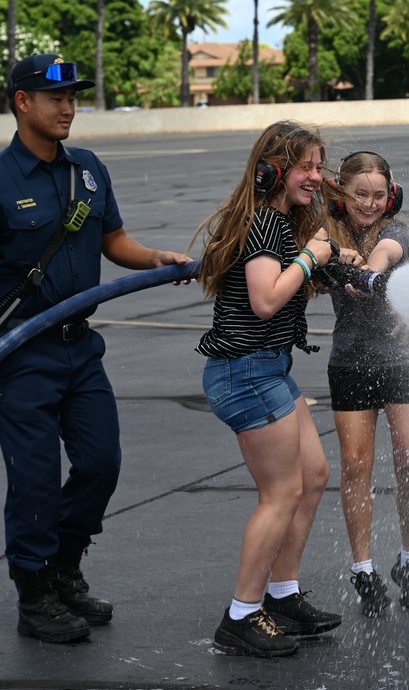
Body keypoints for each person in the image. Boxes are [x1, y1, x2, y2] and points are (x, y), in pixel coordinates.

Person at [0, 54, 192, 644]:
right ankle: (35, 595)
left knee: (101, 463)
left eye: (74, 97)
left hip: (81, 349)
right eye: (54, 97)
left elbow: (113, 240)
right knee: (34, 479)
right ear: (22, 103)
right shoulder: (2, 180)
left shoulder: (87, 169)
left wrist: (155, 257)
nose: (68, 107)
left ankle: (64, 567)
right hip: (22, 357)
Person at [194, 120, 357, 657]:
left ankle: (282, 596)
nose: (316, 176)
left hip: (267, 368)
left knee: (313, 476)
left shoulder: (276, 223)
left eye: (318, 165)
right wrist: (313, 256)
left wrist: (330, 264)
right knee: (281, 492)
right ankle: (241, 616)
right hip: (246, 372)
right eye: (305, 166)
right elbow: (266, 300)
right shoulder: (265, 223)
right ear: (273, 171)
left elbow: (284, 288)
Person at [323, 151, 409, 617]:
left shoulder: (396, 232)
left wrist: (370, 270)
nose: (370, 203)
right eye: (360, 194)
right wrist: (337, 259)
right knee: (355, 466)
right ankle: (364, 570)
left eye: (379, 195)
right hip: (350, 363)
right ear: (342, 195)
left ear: (392, 197)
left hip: (403, 361)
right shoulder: (326, 238)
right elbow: (318, 260)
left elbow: (387, 254)